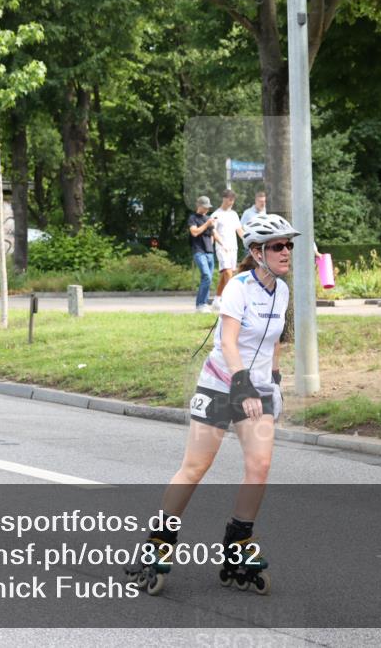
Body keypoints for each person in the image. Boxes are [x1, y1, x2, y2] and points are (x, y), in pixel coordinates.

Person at [125, 214, 299, 596]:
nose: (286, 251)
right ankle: (159, 541)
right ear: (256, 252)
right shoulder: (237, 288)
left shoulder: (282, 291)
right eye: (278, 246)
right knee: (195, 467)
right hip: (221, 385)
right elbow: (230, 342)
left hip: (257, 390)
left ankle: (237, 544)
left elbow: (273, 344)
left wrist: (275, 383)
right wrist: (242, 385)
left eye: (289, 244)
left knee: (260, 466)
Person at [210, 189, 243, 312]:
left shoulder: (234, 214)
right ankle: (230, 301)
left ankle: (217, 300)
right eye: (229, 200)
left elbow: (239, 230)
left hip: (233, 248)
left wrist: (247, 240)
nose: (231, 202)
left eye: (233, 200)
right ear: (224, 199)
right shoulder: (215, 214)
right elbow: (213, 232)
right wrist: (221, 243)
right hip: (222, 248)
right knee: (228, 273)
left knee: (226, 275)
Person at [187, 196, 218, 313]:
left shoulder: (208, 218)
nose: (206, 210)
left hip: (209, 252)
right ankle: (201, 304)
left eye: (208, 208)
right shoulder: (193, 218)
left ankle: (203, 304)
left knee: (208, 279)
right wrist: (207, 224)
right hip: (198, 251)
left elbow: (213, 234)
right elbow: (194, 233)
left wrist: (223, 245)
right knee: (206, 276)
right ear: (199, 206)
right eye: (205, 207)